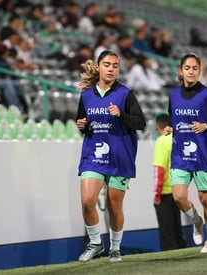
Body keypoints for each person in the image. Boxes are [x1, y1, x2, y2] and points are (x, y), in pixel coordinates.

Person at [76, 50, 146, 263]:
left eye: (115, 65)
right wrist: (82, 126)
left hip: (120, 158)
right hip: (93, 156)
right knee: (87, 201)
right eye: (107, 64)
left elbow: (141, 124)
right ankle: (96, 243)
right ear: (99, 67)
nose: (111, 68)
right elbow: (84, 124)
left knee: (115, 207)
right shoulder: (86, 95)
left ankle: (115, 248)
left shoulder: (126, 94)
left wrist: (121, 115)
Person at [168, 53, 207, 253]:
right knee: (178, 197)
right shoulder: (173, 95)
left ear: (199, 71)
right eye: (187, 68)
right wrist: (170, 127)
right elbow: (173, 118)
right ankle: (196, 220)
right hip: (180, 154)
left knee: (205, 199)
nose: (191, 72)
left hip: (204, 154)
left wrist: (206, 125)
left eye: (194, 68)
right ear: (181, 71)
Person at [153, 113, 187, 251]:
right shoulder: (177, 139)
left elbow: (159, 170)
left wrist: (157, 194)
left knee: (167, 234)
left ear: (157, 127)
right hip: (178, 189)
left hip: (165, 192)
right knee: (177, 229)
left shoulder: (161, 141)